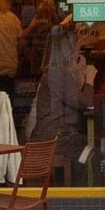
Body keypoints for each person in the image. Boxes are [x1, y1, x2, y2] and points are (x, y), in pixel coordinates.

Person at [27, 13, 91, 173]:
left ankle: (76, 187)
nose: (79, 50)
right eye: (77, 46)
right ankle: (86, 194)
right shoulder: (60, 74)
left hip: (50, 133)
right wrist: (90, 79)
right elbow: (85, 103)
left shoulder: (57, 72)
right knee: (94, 152)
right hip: (53, 137)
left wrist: (81, 76)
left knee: (90, 146)